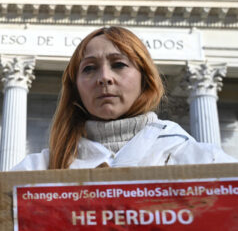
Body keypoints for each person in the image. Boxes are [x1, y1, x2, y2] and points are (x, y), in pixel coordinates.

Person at [15, 25, 236, 170]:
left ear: (145, 78)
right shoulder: (38, 169)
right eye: (89, 69)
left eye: (119, 64)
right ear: (75, 88)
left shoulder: (200, 161)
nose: (104, 78)